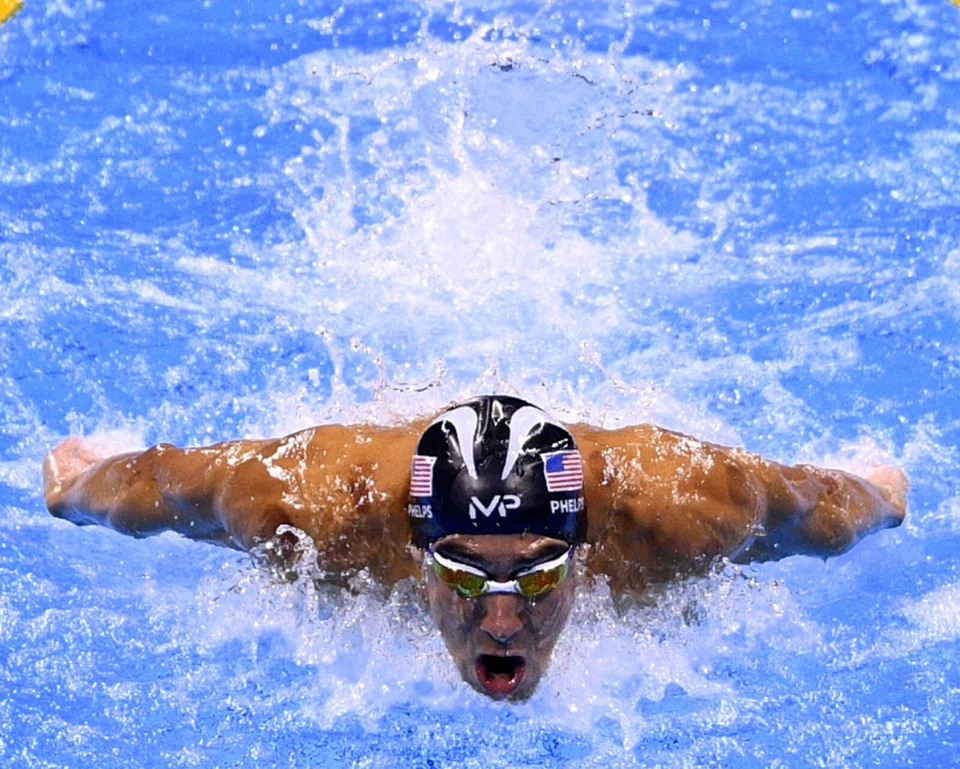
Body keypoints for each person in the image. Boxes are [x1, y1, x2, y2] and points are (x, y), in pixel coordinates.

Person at [42, 394, 907, 700]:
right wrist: (76, 485)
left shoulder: (678, 511)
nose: (502, 619)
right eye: (461, 568)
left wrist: (880, 491)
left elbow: (824, 506)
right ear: (415, 548)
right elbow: (160, 486)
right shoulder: (310, 507)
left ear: (584, 546)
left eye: (536, 573)